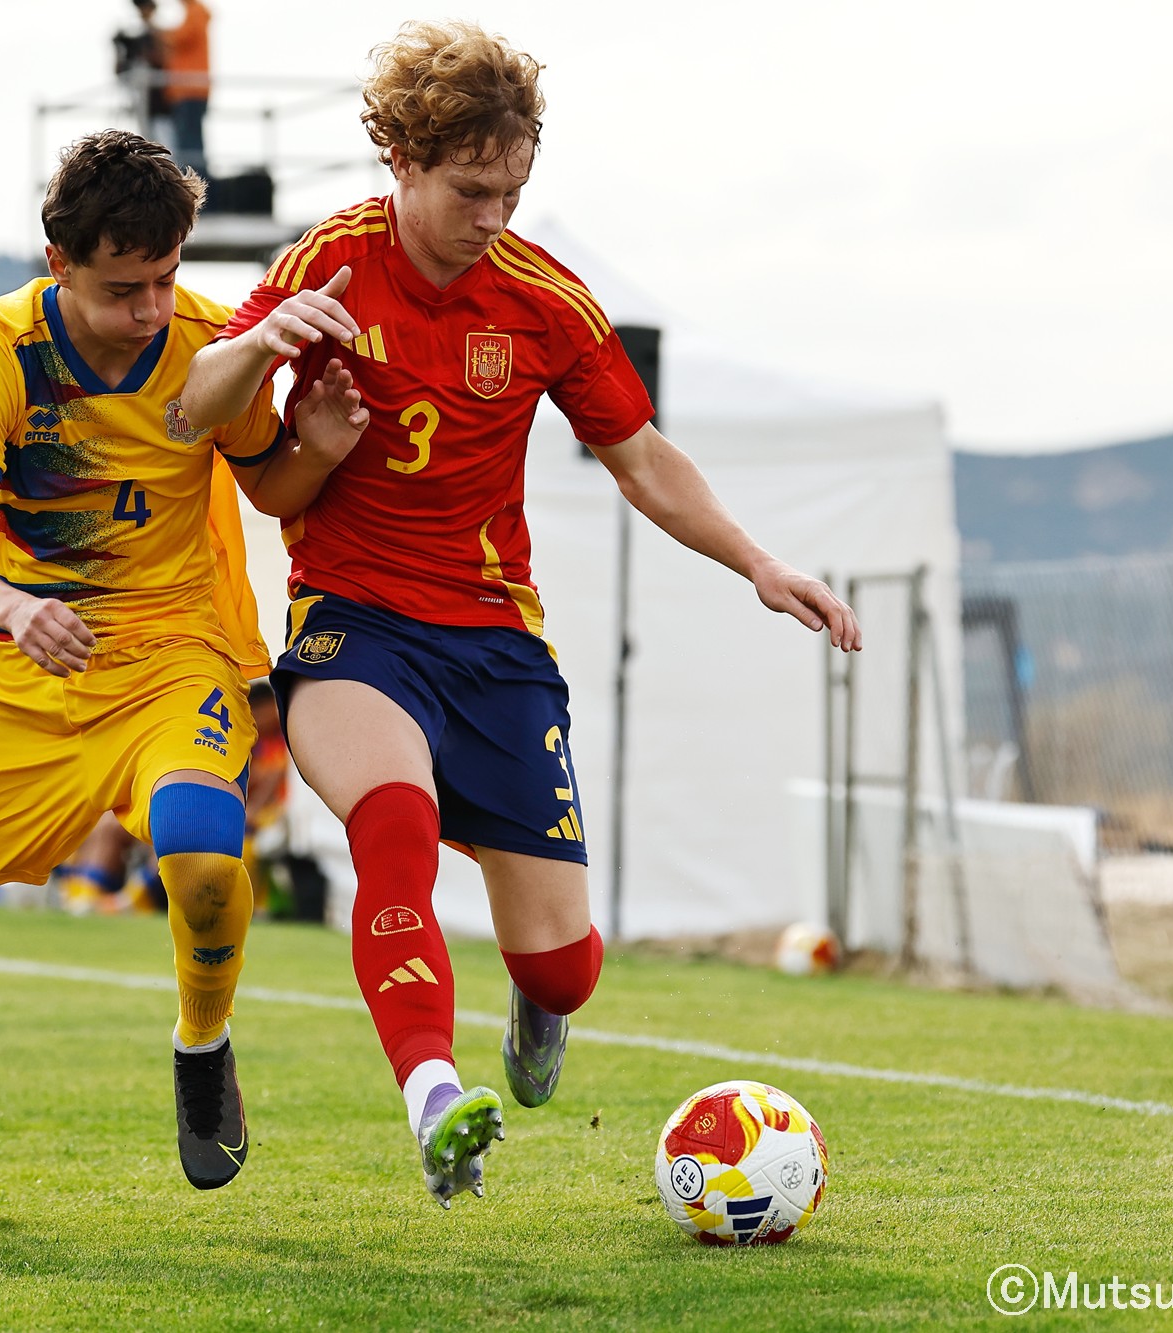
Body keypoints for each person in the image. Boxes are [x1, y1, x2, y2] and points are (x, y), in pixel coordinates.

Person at [179, 21, 860, 1208]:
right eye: (469, 189)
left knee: (564, 964)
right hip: (354, 621)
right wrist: (267, 343)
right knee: (388, 820)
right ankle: (435, 1096)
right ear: (402, 159)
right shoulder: (327, 262)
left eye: (512, 190)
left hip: (496, 645)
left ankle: (532, 1012)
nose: (492, 214)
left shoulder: (544, 300)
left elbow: (638, 456)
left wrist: (754, 560)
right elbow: (197, 406)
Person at [0, 129, 367, 1233]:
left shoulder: (204, 344)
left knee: (198, 845)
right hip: (22, 665)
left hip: (171, 651)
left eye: (166, 280)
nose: (149, 310)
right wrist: (14, 605)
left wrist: (317, 448)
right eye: (120, 287)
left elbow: (272, 489)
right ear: (58, 263)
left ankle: (201, 1043)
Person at [241, 680, 289, 915]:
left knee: (248, 839)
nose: (255, 718)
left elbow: (276, 774)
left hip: (285, 810)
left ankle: (255, 906)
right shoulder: (257, 742)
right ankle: (254, 904)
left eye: (258, 710)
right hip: (266, 813)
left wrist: (254, 808)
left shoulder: (288, 733)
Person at [162, 0, 213, 178]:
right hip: (188, 91)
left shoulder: (196, 12)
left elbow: (183, 37)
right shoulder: (194, 12)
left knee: (190, 146)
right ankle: (195, 185)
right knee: (188, 145)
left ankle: (195, 186)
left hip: (190, 91)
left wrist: (159, 34)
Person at [112, 0, 169, 142]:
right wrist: (119, 49)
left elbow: (163, 58)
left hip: (162, 104)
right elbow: (119, 71)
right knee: (145, 140)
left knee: (167, 143)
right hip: (141, 104)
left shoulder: (160, 35)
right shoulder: (135, 36)